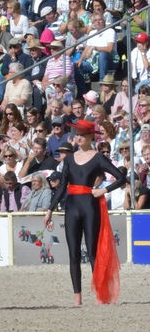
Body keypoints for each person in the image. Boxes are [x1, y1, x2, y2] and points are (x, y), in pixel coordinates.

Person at [44, 120, 126, 305]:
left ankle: (99, 293)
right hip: (71, 207)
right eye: (77, 134)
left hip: (90, 205)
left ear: (90, 136)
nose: (79, 137)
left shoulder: (98, 157)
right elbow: (62, 186)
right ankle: (77, 297)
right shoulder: (69, 158)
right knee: (73, 252)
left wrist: (103, 190)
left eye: (82, 134)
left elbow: (121, 177)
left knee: (92, 252)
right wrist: (50, 209)